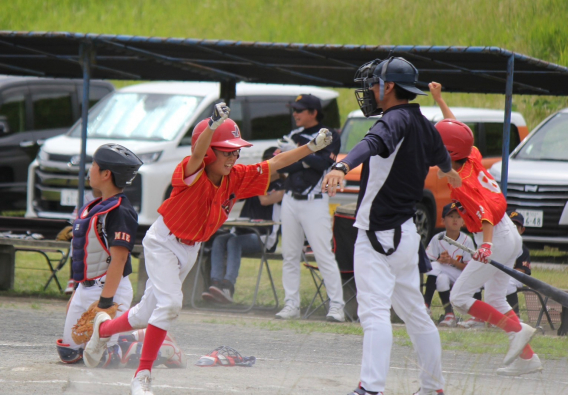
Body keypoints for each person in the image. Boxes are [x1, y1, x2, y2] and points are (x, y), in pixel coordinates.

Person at [83, 102, 334, 395]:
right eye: (227, 150)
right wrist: (212, 126)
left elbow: (276, 164)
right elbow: (199, 153)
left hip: (190, 249)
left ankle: (102, 331)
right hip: (163, 242)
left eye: (236, 150)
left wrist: (311, 147)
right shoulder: (192, 171)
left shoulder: (236, 176)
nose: (233, 155)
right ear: (211, 151)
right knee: (171, 305)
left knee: (144, 313)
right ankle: (142, 376)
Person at [323, 57, 462, 395]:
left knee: (373, 313)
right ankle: (433, 388)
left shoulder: (395, 119)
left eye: (373, 83)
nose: (370, 89)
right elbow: (442, 155)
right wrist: (449, 170)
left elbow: (371, 144)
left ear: (388, 87)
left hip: (378, 236)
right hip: (405, 236)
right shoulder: (421, 121)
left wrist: (342, 166)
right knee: (415, 315)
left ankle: (370, 388)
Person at [432, 85, 542, 376]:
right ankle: (528, 359)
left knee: (459, 297)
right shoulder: (471, 155)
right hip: (508, 235)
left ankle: (516, 331)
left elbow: (484, 215)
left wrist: (486, 245)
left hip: (495, 235)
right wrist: (441, 100)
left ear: (447, 152)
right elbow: (457, 133)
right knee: (494, 298)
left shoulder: (461, 183)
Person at [56, 144, 180, 367]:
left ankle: (162, 347)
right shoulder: (94, 206)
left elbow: (119, 259)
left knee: (103, 358)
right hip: (85, 287)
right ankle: (131, 335)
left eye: (94, 165)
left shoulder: (120, 211)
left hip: (109, 290)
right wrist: (77, 293)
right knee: (69, 353)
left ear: (106, 174)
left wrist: (105, 301)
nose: (90, 169)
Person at [275, 93, 345, 322]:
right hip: (290, 199)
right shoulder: (294, 135)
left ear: (314, 112)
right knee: (290, 255)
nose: (295, 113)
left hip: (315, 201)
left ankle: (337, 306)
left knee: (323, 255)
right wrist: (301, 156)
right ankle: (291, 304)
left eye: (300, 109)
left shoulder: (329, 135)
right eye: (294, 109)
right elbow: (285, 167)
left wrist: (298, 153)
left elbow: (323, 163)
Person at [202, 147, 285, 303]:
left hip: (265, 237)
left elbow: (265, 200)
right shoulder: (255, 183)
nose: (270, 165)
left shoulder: (283, 186)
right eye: (267, 161)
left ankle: (228, 286)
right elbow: (233, 196)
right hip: (242, 231)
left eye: (273, 162)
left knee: (234, 242)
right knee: (220, 240)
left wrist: (257, 181)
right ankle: (216, 284)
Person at [423, 203, 475, 327]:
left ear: (463, 221)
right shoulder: (437, 238)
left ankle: (425, 305)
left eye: (458, 216)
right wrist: (441, 260)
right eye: (451, 216)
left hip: (462, 278)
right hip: (445, 275)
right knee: (441, 277)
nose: (455, 220)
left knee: (436, 267)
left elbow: (470, 268)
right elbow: (427, 263)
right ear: (443, 220)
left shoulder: (467, 240)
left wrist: (452, 262)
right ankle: (449, 314)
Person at [506, 210, 532, 318]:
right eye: (510, 227)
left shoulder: (523, 249)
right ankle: (480, 317)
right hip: (500, 276)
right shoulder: (499, 246)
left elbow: (523, 270)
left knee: (508, 283)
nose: (513, 231)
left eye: (516, 227)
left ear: (522, 230)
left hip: (517, 277)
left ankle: (516, 316)